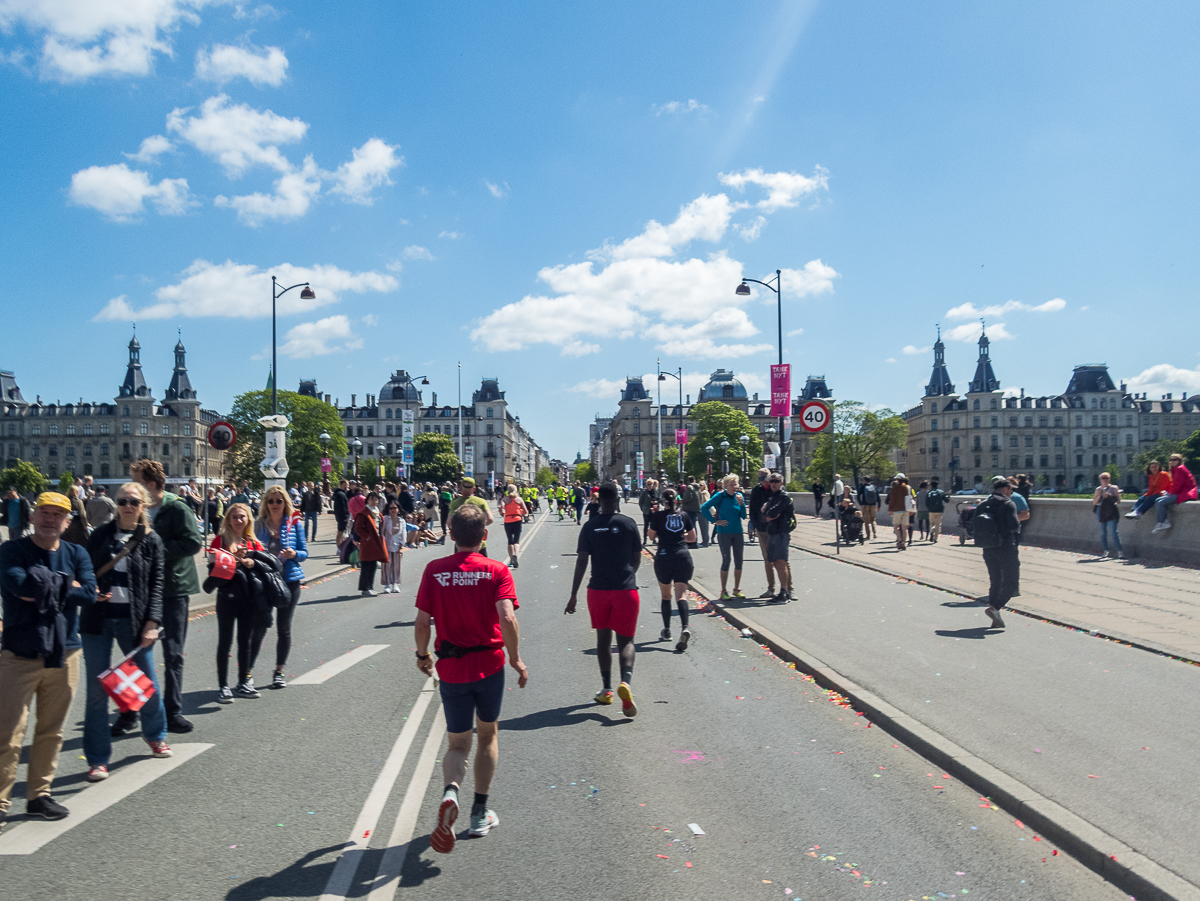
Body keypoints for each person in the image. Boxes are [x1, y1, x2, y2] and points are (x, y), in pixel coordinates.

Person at [417, 504, 527, 853]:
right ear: (485, 535)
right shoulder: (496, 570)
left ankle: (451, 792)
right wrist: (516, 659)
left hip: (452, 669)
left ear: (450, 534)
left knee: (457, 744)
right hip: (489, 665)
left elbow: (422, 622)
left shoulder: (434, 570)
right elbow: (507, 618)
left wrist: (422, 655)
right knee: (487, 735)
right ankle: (479, 813)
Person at [0, 492, 96, 828]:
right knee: (8, 733)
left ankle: (39, 796)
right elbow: (18, 585)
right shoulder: (12, 550)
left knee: (51, 731)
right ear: (32, 516)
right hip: (19, 653)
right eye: (44, 512)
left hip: (65, 651)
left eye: (58, 514)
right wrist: (64, 584)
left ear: (68, 522)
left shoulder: (76, 552)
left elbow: (90, 593)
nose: (50, 519)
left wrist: (47, 584)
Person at [82, 482, 172, 779]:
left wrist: (153, 622)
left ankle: (155, 734)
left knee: (146, 682)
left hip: (134, 621)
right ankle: (97, 758)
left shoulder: (151, 540)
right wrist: (89, 590)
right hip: (98, 619)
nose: (127, 506)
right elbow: (84, 572)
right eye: (122, 501)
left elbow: (158, 583)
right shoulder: (100, 535)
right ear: (115, 504)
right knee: (97, 690)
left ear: (143, 505)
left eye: (134, 501)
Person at [130, 459, 202, 734]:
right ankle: (130, 711)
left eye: (136, 482)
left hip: (174, 589)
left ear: (150, 485)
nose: (131, 489)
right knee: (135, 654)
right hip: (141, 590)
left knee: (172, 654)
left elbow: (193, 542)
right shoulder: (135, 509)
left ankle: (173, 712)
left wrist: (156, 550)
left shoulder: (176, 508)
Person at [566, 481, 643, 716]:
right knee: (627, 641)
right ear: (618, 499)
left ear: (598, 499)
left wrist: (573, 595)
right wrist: (628, 575)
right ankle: (626, 683)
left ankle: (607, 689)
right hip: (626, 590)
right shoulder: (629, 524)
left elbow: (581, 561)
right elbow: (637, 557)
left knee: (603, 638)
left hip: (598, 590)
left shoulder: (590, 527)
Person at [203, 503, 274, 701]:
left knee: (245, 642)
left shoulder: (252, 542)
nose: (238, 520)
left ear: (248, 520)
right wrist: (232, 559)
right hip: (227, 598)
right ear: (228, 520)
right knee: (224, 642)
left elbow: (267, 566)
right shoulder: (220, 540)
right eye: (234, 517)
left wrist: (254, 562)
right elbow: (211, 571)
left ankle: (243, 682)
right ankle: (223, 686)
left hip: (248, 598)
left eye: (242, 517)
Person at [254, 486, 308, 688]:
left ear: (285, 503)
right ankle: (247, 673)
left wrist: (294, 554)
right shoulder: (259, 525)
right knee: (260, 626)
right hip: (266, 581)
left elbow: (304, 552)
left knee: (283, 628)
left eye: (279, 501)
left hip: (289, 580)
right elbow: (252, 549)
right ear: (266, 504)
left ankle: (279, 671)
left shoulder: (295, 524)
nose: (275, 505)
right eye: (271, 501)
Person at [647, 488, 696, 651]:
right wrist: (679, 537)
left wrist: (655, 518)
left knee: (666, 595)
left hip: (664, 556)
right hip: (683, 555)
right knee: (681, 595)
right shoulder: (684, 515)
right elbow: (692, 538)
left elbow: (651, 536)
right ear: (677, 500)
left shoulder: (658, 516)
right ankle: (684, 627)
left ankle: (667, 630)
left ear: (663, 501)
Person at [974, 477, 1021, 628]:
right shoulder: (1008, 503)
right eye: (1011, 490)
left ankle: (996, 617)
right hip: (1006, 546)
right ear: (1005, 489)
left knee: (995, 581)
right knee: (1012, 581)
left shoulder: (983, 505)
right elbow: (1014, 525)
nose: (1011, 493)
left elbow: (975, 524)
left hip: (988, 547)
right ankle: (995, 608)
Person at [702, 474, 747, 600]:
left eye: (736, 484)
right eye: (731, 485)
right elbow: (704, 507)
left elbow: (743, 516)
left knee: (739, 561)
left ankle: (736, 589)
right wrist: (714, 521)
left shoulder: (739, 496)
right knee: (726, 560)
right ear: (726, 486)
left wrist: (742, 504)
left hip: (737, 532)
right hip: (724, 533)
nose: (734, 487)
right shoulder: (720, 496)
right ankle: (724, 591)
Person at [760, 473, 795, 603]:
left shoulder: (784, 497)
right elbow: (763, 516)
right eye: (772, 481)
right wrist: (766, 514)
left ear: (782, 483)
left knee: (780, 562)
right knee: (774, 562)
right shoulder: (772, 497)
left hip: (781, 532)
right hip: (773, 532)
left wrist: (767, 512)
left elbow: (773, 512)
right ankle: (784, 591)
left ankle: (784, 592)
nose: (773, 483)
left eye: (776, 481)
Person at [1152, 453, 1198, 533]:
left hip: (1186, 493)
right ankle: (1163, 522)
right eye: (1171, 459)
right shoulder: (1176, 469)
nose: (1172, 461)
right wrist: (1169, 493)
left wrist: (1170, 494)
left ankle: (1162, 522)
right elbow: (1176, 485)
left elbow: (1178, 485)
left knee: (1161, 502)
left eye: (1174, 459)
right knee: (1157, 500)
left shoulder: (1180, 469)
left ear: (1179, 461)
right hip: (1181, 492)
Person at [448, 478, 495, 556]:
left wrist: (461, 528)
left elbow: (449, 522)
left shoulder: (454, 503)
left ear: (460, 488)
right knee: (482, 566)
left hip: (460, 542)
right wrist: (478, 526)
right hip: (478, 542)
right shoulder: (481, 502)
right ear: (474, 489)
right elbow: (490, 519)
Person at [353, 491, 388, 596]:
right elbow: (358, 528)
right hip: (368, 544)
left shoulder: (377, 513)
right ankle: (365, 588)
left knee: (373, 565)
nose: (374, 501)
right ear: (367, 500)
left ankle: (370, 587)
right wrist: (367, 537)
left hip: (376, 542)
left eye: (376, 499)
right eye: (372, 499)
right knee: (366, 566)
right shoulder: (363, 513)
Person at [380, 501, 406, 592]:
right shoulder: (386, 519)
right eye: (390, 508)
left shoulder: (402, 521)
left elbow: (403, 534)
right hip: (386, 545)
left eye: (394, 508)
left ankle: (395, 584)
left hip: (397, 546)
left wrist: (401, 545)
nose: (392, 510)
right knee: (386, 565)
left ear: (398, 509)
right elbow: (381, 532)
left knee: (396, 566)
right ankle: (386, 584)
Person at [501, 485, 528, 569]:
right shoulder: (519, 499)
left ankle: (511, 560)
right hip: (517, 519)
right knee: (516, 541)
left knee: (510, 541)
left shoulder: (504, 499)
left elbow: (502, 509)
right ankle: (516, 554)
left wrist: (503, 512)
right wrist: (525, 515)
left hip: (508, 520)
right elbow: (525, 511)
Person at [886, 474, 910, 551]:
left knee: (896, 527)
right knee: (904, 528)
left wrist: (890, 509)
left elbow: (892, 500)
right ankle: (904, 543)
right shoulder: (907, 487)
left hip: (897, 510)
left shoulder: (895, 488)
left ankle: (899, 540)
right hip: (906, 509)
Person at [680, 477, 704, 548]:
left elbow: (688, 497)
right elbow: (700, 497)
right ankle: (694, 541)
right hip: (695, 509)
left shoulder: (689, 487)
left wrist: (683, 500)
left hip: (689, 508)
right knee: (693, 525)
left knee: (690, 526)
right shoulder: (698, 488)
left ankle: (692, 542)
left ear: (688, 481)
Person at [925, 478, 947, 543]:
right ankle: (935, 538)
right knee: (938, 524)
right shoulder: (941, 492)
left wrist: (929, 508)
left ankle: (932, 531)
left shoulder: (929, 493)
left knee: (932, 523)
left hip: (931, 510)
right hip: (939, 510)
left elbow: (926, 502)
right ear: (937, 485)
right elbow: (946, 500)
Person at [638, 479, 659, 544]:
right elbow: (640, 502)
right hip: (647, 511)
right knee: (646, 525)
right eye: (648, 484)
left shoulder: (655, 492)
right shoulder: (644, 492)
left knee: (654, 526)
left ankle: (654, 539)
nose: (649, 486)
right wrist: (643, 509)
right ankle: (645, 539)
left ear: (653, 485)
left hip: (654, 511)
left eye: (650, 484)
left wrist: (656, 502)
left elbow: (659, 499)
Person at [333, 479, 351, 548]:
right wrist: (345, 516)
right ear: (343, 484)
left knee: (342, 532)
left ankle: (340, 546)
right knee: (340, 532)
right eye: (347, 484)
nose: (348, 486)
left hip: (340, 516)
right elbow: (342, 507)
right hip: (342, 516)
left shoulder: (340, 493)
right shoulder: (340, 494)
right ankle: (339, 546)